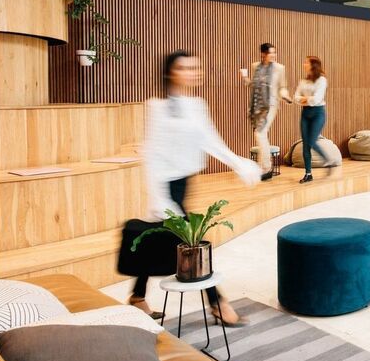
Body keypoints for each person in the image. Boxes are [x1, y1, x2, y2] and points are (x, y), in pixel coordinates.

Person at [129, 50, 262, 325]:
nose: (193, 72)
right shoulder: (157, 107)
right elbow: (151, 154)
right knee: (193, 243)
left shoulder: (196, 105)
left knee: (156, 241)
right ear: (170, 73)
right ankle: (217, 303)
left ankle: (137, 297)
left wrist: (239, 164)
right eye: (185, 68)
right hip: (165, 187)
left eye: (195, 67)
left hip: (184, 182)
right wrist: (159, 197)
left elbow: (210, 141)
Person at [242, 42, 293, 181]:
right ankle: (264, 167)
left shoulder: (279, 68)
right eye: (271, 53)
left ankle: (265, 167)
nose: (273, 55)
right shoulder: (255, 66)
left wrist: (285, 96)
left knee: (260, 133)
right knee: (260, 134)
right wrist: (245, 78)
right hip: (257, 106)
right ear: (263, 54)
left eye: (274, 52)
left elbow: (282, 87)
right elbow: (253, 85)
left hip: (271, 105)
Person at [294, 56, 332, 183]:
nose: (304, 64)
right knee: (306, 144)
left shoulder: (322, 80)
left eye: (306, 62)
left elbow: (316, 99)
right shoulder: (303, 81)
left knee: (311, 141)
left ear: (313, 65)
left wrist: (304, 99)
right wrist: (307, 100)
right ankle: (308, 174)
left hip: (318, 114)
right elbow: (295, 97)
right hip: (305, 114)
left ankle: (327, 160)